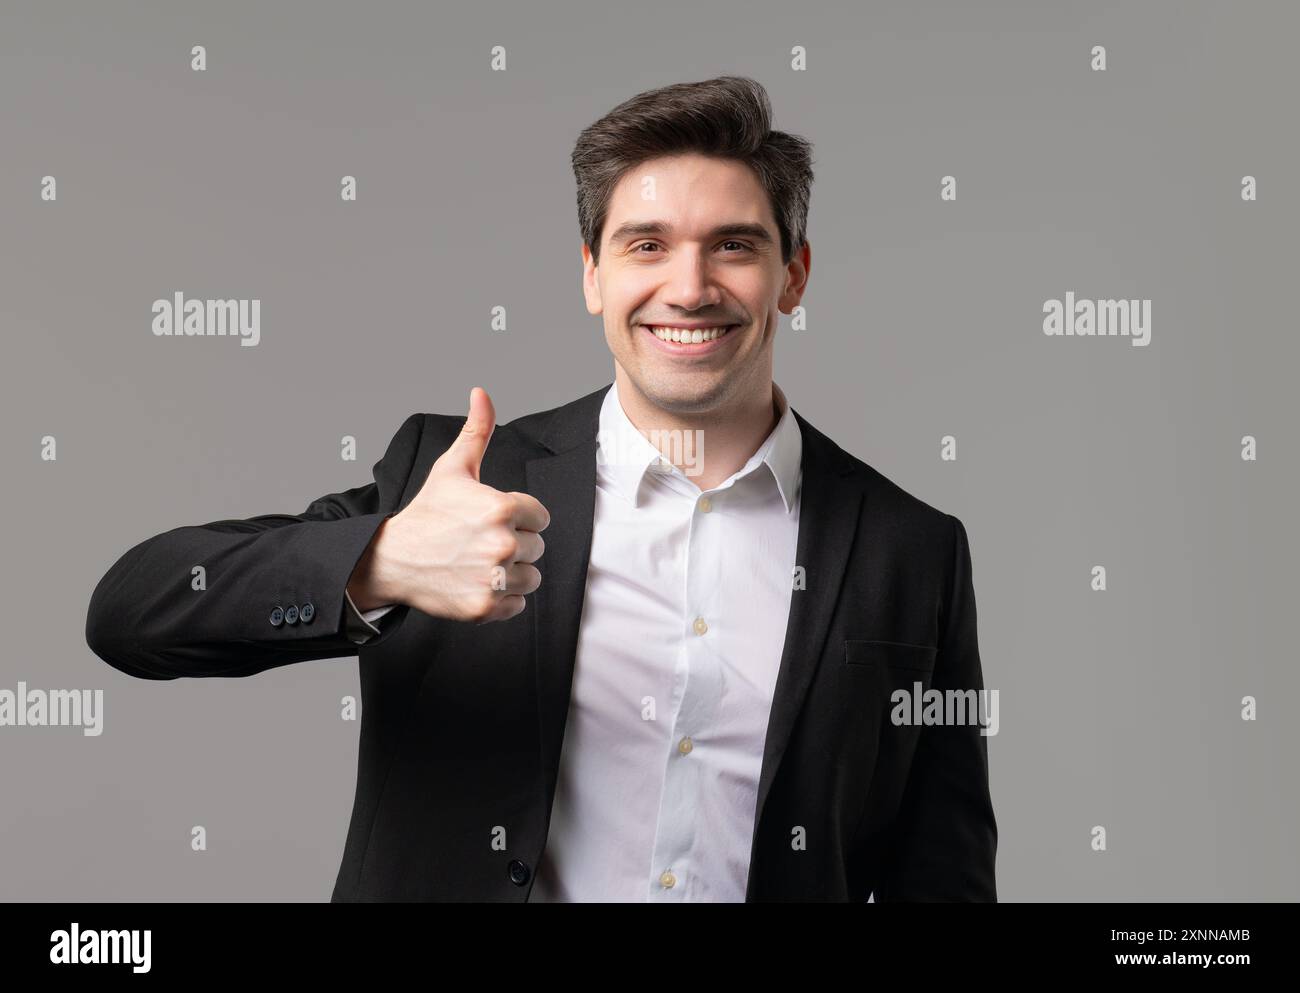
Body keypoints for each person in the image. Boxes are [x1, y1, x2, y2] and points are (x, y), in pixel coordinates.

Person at [86, 75, 997, 902]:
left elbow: (945, 875)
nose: (688, 287)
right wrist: (381, 562)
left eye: (733, 245)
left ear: (792, 275)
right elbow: (133, 611)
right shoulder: (458, 486)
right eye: (646, 245)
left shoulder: (911, 550)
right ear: (593, 275)